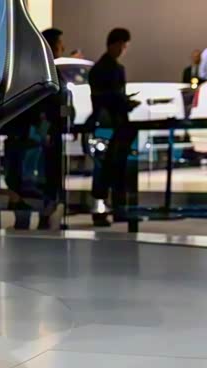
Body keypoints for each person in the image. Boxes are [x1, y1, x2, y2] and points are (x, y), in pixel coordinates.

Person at [88, 27, 140, 226]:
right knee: (110, 168)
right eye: (123, 46)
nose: (123, 50)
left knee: (110, 168)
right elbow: (106, 97)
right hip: (111, 124)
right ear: (116, 44)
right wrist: (124, 102)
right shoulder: (109, 69)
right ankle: (112, 209)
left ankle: (109, 209)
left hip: (110, 123)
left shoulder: (103, 68)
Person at [36, 27, 71, 229]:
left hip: (54, 131)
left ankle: (48, 215)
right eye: (59, 43)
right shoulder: (44, 71)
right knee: (47, 176)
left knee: (52, 175)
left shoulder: (51, 69)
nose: (63, 48)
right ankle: (45, 215)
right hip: (48, 133)